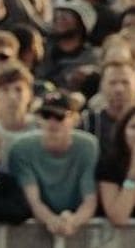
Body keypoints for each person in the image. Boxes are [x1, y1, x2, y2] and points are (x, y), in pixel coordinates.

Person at [8, 90, 101, 236]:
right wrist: (51, 220)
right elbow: (33, 200)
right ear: (39, 120)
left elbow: (89, 199)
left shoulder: (88, 146)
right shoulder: (21, 149)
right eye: (46, 116)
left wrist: (73, 221)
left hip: (80, 230)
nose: (52, 122)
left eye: (59, 116)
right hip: (34, 232)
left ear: (75, 119)